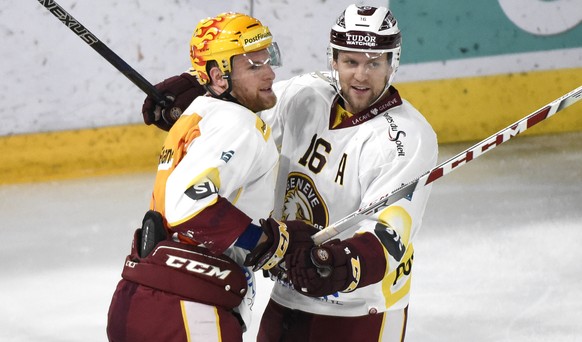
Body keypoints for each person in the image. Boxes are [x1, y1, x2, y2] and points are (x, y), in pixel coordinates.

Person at [141, 4, 438, 341]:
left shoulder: (407, 137)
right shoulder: (305, 94)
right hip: (286, 298)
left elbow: (392, 232)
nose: (360, 75)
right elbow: (244, 105)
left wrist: (343, 263)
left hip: (361, 310)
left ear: (392, 63)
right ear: (334, 60)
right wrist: (198, 94)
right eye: (350, 61)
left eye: (374, 63)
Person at [107, 12, 318, 342]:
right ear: (219, 78)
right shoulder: (238, 124)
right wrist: (266, 243)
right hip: (189, 311)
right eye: (254, 66)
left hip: (142, 299)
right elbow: (186, 204)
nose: (270, 73)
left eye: (268, 60)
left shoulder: (197, 113)